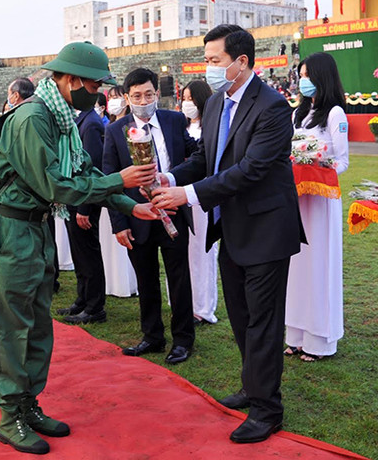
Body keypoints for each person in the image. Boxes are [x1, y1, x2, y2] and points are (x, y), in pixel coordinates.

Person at [0, 42, 160, 455]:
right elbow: (57, 186)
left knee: (39, 325)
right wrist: (121, 183)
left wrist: (132, 205)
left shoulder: (61, 118)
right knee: (14, 328)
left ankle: (29, 404)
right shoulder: (32, 118)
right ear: (72, 79)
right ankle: (10, 416)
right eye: (96, 84)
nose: (100, 92)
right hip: (11, 232)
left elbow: (84, 169)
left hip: (36, 228)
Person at [153, 24, 306, 444]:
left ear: (241, 61)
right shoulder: (218, 102)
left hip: (267, 230)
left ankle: (267, 409)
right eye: (207, 60)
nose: (209, 69)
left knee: (263, 322)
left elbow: (251, 170)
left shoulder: (273, 107)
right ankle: (252, 385)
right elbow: (207, 157)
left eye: (215, 61)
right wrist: (170, 176)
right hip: (232, 229)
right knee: (241, 317)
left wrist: (187, 195)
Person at [104, 68, 196, 364]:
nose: (143, 100)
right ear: (127, 99)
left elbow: (196, 157)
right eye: (136, 96)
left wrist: (171, 179)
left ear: (157, 94)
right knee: (145, 279)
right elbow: (109, 179)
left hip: (172, 210)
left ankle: (183, 340)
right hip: (137, 217)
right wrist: (119, 223)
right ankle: (152, 336)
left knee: (179, 279)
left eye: (148, 94)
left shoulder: (174, 119)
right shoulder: (115, 130)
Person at [285, 52, 349, 362]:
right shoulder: (298, 114)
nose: (303, 81)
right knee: (297, 265)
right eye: (301, 75)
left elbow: (343, 161)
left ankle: (319, 340)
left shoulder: (335, 114)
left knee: (319, 265)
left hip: (321, 201)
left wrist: (316, 162)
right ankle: (296, 334)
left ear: (321, 78)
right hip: (298, 199)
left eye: (308, 75)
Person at [58, 97, 108, 325]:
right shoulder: (80, 120)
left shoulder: (91, 123)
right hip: (74, 200)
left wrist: (85, 207)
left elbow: (92, 168)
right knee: (79, 253)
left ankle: (94, 306)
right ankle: (83, 299)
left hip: (83, 202)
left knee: (88, 254)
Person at [181, 80, 219, 325]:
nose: (187, 104)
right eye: (184, 98)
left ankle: (203, 308)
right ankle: (183, 302)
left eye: (191, 99)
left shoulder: (210, 126)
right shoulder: (181, 126)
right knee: (183, 251)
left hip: (202, 193)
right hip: (181, 192)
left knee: (203, 252)